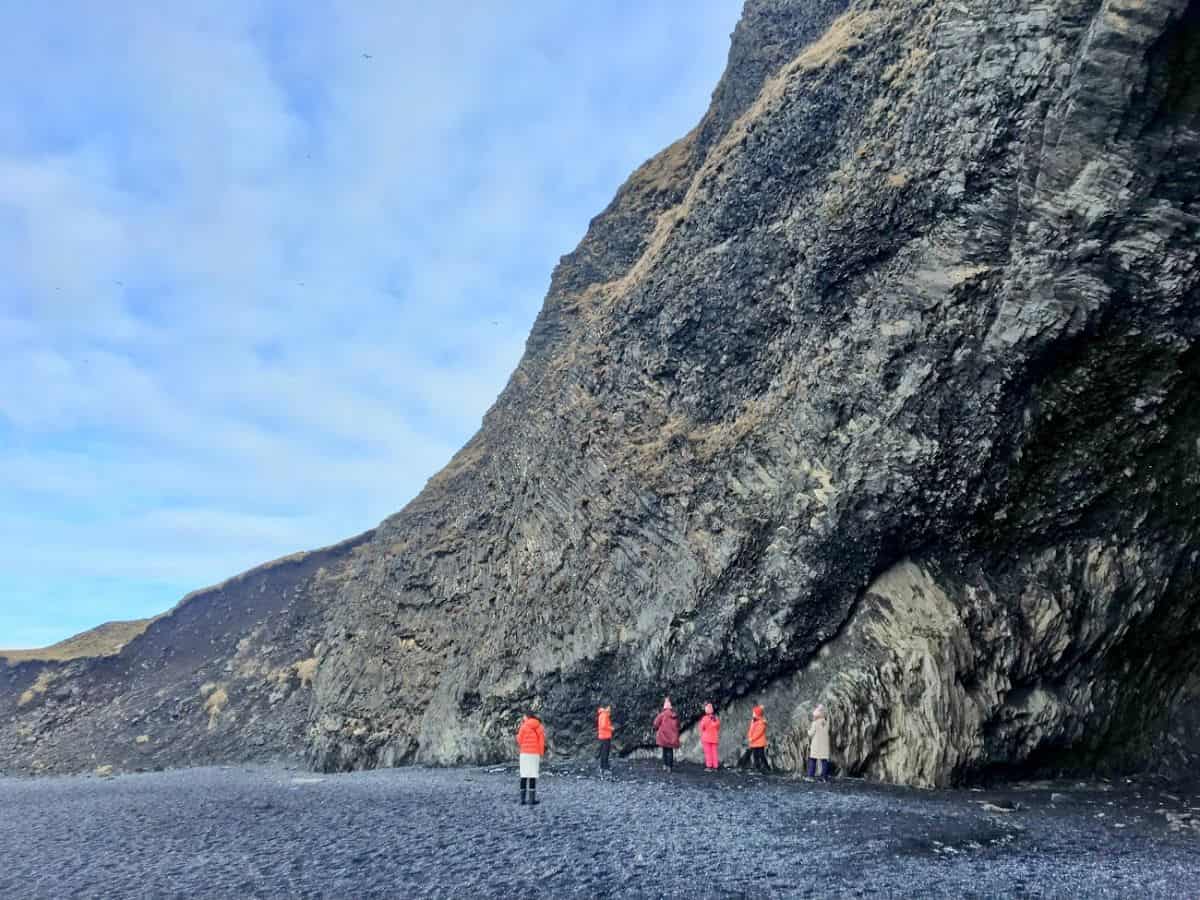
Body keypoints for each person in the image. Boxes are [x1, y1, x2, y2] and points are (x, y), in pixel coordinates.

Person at [516, 710, 546, 805]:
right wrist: (541, 753)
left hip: (524, 753)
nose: (523, 718)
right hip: (534, 754)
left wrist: (523, 747)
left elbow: (519, 739)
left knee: (524, 775)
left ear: (527, 717)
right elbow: (541, 741)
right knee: (533, 775)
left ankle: (522, 800)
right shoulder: (539, 727)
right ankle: (532, 800)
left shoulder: (523, 726)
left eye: (524, 716)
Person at [653, 698, 680, 772]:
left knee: (664, 750)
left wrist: (656, 728)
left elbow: (655, 723)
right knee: (670, 751)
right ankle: (670, 767)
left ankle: (665, 765)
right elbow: (678, 725)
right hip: (672, 737)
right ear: (671, 707)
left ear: (664, 707)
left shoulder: (662, 715)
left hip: (663, 736)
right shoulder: (675, 715)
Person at [807, 704, 831, 781]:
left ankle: (810, 776)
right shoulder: (826, 723)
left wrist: (807, 730)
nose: (814, 717)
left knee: (813, 760)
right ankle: (824, 777)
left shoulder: (815, 723)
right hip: (824, 745)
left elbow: (811, 734)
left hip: (816, 745)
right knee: (824, 761)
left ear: (817, 716)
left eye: (814, 716)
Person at [699, 702, 721, 772]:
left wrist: (702, 733)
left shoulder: (704, 718)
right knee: (714, 753)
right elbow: (718, 727)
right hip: (714, 738)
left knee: (708, 753)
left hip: (706, 739)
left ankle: (709, 766)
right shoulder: (715, 718)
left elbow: (702, 727)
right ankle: (715, 767)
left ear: (706, 710)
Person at [747, 705, 769, 772]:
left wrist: (752, 738)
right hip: (754, 743)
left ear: (757, 714)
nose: (752, 714)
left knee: (761, 755)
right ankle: (757, 768)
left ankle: (767, 767)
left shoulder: (762, 722)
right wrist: (749, 736)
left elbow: (759, 733)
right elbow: (750, 730)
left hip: (759, 742)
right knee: (755, 756)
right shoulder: (753, 721)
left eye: (754, 713)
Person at [597, 704, 614, 777]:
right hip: (605, 736)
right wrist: (611, 728)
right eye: (609, 707)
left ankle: (602, 766)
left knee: (603, 752)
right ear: (606, 707)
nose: (610, 709)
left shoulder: (601, 714)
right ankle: (605, 768)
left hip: (602, 736)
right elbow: (603, 725)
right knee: (605, 753)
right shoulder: (604, 715)